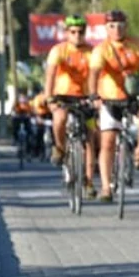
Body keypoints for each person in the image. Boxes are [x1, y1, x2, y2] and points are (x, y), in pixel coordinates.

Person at [88, 9, 139, 202]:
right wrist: (94, 95)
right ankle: (105, 187)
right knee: (108, 142)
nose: (116, 29)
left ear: (126, 26)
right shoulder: (101, 49)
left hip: (133, 96)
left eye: (120, 25)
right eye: (112, 26)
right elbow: (93, 73)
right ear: (106, 28)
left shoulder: (138, 45)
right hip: (110, 98)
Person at [43, 14, 97, 196]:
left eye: (81, 32)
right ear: (67, 33)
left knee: (90, 138)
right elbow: (50, 76)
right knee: (60, 118)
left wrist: (97, 97)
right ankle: (59, 147)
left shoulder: (92, 51)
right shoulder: (58, 50)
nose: (77, 35)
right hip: (62, 96)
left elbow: (99, 75)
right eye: (73, 32)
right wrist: (49, 98)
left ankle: (89, 181)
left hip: (84, 97)